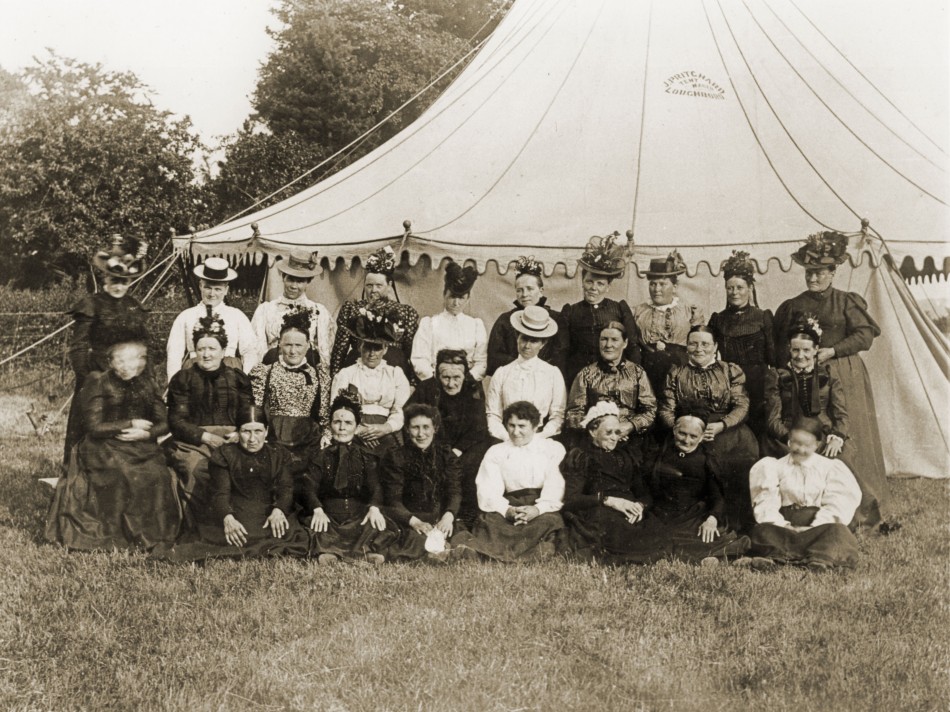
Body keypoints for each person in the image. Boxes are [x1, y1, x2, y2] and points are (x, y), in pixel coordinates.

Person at [772, 230, 887, 526]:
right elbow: (781, 344)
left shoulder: (845, 302)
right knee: (810, 432)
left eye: (819, 273)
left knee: (847, 433)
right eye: (809, 273)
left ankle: (861, 505)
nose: (812, 278)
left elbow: (865, 336)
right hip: (805, 377)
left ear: (833, 273)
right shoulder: (793, 305)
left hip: (843, 373)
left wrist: (833, 350)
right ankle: (813, 502)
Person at [45, 334, 181, 551]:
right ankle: (121, 535)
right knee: (124, 473)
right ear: (111, 362)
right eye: (120, 360)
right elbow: (94, 427)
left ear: (142, 361)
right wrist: (129, 423)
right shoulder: (99, 382)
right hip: (103, 446)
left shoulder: (148, 384)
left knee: (157, 474)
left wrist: (146, 435)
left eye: (132, 360)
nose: (127, 366)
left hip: (141, 445)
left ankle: (151, 533)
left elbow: (164, 423)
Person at [156, 406, 311, 561]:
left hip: (268, 513)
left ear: (266, 431)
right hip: (237, 513)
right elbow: (220, 493)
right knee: (241, 535)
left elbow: (286, 487)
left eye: (258, 431)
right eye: (246, 431)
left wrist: (279, 509)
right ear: (238, 432)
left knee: (295, 534)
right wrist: (227, 518)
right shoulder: (225, 454)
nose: (252, 439)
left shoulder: (278, 453)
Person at [609, 412, 749, 564]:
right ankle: (705, 556)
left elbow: (717, 497)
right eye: (682, 433)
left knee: (709, 535)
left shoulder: (707, 460)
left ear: (702, 437)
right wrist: (641, 505)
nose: (686, 440)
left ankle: (714, 557)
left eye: (693, 436)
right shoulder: (658, 455)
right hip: (660, 514)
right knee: (645, 537)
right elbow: (646, 491)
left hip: (692, 515)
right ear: (674, 430)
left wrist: (712, 519)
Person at [658, 325, 758, 529]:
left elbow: (742, 404)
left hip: (728, 430)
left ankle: (736, 524)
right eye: (693, 344)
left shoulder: (730, 370)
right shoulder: (676, 372)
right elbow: (666, 409)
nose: (699, 349)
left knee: (739, 462)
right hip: (689, 432)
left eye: (705, 344)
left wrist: (722, 425)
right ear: (686, 347)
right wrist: (684, 427)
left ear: (715, 346)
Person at [64, 235, 150, 464]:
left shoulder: (134, 306)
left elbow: (144, 344)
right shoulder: (92, 304)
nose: (118, 286)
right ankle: (83, 468)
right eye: (114, 281)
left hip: (129, 375)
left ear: (129, 282)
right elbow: (78, 346)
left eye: (124, 282)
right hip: (98, 373)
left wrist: (144, 374)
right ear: (105, 280)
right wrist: (87, 379)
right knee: (93, 423)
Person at [166, 313, 254, 528]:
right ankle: (201, 528)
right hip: (193, 441)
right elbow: (176, 420)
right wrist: (205, 437)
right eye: (201, 349)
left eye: (212, 349)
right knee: (197, 469)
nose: (206, 354)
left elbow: (248, 413)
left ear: (223, 351)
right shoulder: (183, 379)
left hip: (233, 440)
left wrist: (239, 433)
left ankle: (241, 524)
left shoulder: (237, 378)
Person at [453, 401, 566, 562]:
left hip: (541, 505)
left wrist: (537, 509)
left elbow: (556, 485)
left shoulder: (551, 449)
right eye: (511, 425)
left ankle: (531, 552)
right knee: (490, 522)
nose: (515, 432)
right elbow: (488, 489)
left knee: (549, 522)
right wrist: (507, 510)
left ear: (535, 427)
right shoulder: (496, 451)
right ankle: (500, 553)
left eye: (522, 426)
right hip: (510, 505)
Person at [746, 417, 861, 569]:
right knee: (761, 531)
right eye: (796, 443)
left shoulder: (829, 467)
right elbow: (767, 503)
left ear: (817, 445)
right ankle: (781, 557)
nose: (800, 449)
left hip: (818, 528)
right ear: (789, 441)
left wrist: (814, 526)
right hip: (783, 529)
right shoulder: (773, 466)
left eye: (806, 445)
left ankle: (817, 559)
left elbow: (837, 503)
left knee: (839, 531)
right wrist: (784, 525)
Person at [300, 395, 396, 564]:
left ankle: (365, 552)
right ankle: (329, 552)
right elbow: (309, 485)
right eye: (337, 422)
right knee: (317, 526)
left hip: (357, 514)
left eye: (348, 423)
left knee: (374, 524)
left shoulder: (366, 457)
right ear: (330, 425)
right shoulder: (319, 456)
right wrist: (317, 509)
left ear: (357, 427)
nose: (342, 427)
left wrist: (374, 507)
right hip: (328, 514)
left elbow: (375, 487)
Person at [406, 349, 493, 527]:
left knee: (470, 465)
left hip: (465, 446)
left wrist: (457, 450)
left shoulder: (473, 389)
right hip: (432, 444)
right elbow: (410, 418)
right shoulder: (427, 388)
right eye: (445, 377)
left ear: (465, 375)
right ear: (437, 374)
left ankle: (465, 515)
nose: (451, 383)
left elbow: (479, 428)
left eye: (456, 378)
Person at [558, 402, 652, 561]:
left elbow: (643, 493)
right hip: (599, 509)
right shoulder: (581, 456)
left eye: (617, 432)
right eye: (609, 432)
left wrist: (639, 506)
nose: (614, 437)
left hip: (628, 510)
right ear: (593, 431)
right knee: (613, 528)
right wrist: (609, 501)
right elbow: (572, 499)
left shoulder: (625, 456)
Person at [762, 316, 852, 466]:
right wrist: (790, 439)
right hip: (788, 435)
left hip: (822, 434)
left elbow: (841, 414)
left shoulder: (828, 373)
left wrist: (837, 437)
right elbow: (772, 419)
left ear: (815, 349)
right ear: (789, 349)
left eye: (806, 350)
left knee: (840, 460)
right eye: (795, 350)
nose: (800, 355)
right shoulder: (777, 375)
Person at [380, 404, 463, 561]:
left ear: (435, 428)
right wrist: (414, 522)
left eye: (426, 427)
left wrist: (448, 516)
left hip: (440, 518)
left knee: (461, 537)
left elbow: (455, 491)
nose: (421, 434)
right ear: (407, 429)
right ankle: (435, 554)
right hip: (408, 519)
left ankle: (447, 551)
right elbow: (392, 499)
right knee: (413, 541)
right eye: (415, 428)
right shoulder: (396, 457)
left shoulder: (446, 456)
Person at [559, 233, 640, 389]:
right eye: (589, 282)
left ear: (608, 287)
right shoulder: (570, 311)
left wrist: (632, 378)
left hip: (613, 376)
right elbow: (562, 351)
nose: (593, 288)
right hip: (577, 376)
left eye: (600, 284)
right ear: (582, 282)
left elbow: (632, 346)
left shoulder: (619, 308)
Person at [249, 307, 329, 464]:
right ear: (279, 344)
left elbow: (324, 414)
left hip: (308, 438)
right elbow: (256, 410)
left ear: (308, 345)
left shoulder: (319, 375)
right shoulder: (265, 372)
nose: (293, 351)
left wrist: (326, 436)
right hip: (273, 437)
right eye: (288, 345)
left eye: (298, 345)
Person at [707, 251, 774, 436]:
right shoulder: (718, 319)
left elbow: (773, 356)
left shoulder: (763, 316)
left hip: (758, 381)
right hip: (730, 381)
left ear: (750, 288)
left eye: (740, 287)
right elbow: (707, 350)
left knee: (759, 426)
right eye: (730, 288)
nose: (734, 292)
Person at [330, 245, 418, 385]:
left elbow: (411, 352)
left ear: (389, 285)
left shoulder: (406, 313)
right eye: (369, 285)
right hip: (358, 369)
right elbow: (339, 351)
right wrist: (335, 380)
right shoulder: (352, 309)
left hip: (393, 369)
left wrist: (412, 383)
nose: (373, 291)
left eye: (379, 286)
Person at [330, 306, 411, 454]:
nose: (372, 354)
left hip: (387, 430)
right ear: (360, 347)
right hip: (352, 430)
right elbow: (336, 407)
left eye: (377, 348)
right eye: (368, 347)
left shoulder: (395, 374)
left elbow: (401, 409)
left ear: (385, 349)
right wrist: (358, 429)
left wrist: (386, 428)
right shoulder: (346, 374)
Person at [565, 321, 656, 454]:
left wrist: (630, 426)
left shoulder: (637, 373)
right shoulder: (586, 374)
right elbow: (573, 413)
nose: (608, 345)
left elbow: (650, 410)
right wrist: (597, 428)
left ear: (625, 343)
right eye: (604, 339)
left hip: (630, 440)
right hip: (595, 440)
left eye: (614, 340)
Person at [166, 257, 259, 382]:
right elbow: (174, 353)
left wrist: (246, 382)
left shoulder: (237, 316)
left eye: (218, 289)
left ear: (226, 290)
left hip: (229, 371)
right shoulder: (186, 316)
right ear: (200, 286)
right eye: (208, 287)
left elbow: (250, 351)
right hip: (194, 371)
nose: (212, 294)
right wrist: (174, 384)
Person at [485, 306, 566, 441]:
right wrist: (508, 438)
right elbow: (493, 415)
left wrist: (539, 438)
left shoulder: (552, 374)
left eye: (534, 341)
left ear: (543, 344)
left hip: (540, 439)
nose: (527, 346)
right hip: (506, 438)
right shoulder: (502, 373)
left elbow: (558, 416)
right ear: (517, 338)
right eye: (524, 339)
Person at [633, 250, 705, 395]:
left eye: (662, 284)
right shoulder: (638, 312)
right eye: (653, 284)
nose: (657, 289)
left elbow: (699, 343)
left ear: (675, 286)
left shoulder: (689, 311)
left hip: (681, 371)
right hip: (646, 372)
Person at [250, 251, 333, 370]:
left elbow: (325, 351)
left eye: (300, 281)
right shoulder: (265, 310)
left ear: (308, 282)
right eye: (290, 279)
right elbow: (257, 348)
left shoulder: (318, 311)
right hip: (272, 369)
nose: (294, 286)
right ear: (283, 277)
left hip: (307, 371)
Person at [411, 261, 488, 382]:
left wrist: (465, 380)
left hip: (467, 383)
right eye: (452, 296)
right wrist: (437, 380)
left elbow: (481, 362)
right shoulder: (429, 324)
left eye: (461, 298)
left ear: (468, 299)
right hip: (434, 383)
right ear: (444, 295)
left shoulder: (475, 325)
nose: (456, 303)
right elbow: (419, 359)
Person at [487, 255, 564, 375]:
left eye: (530, 289)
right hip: (513, 377)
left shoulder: (556, 320)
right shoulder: (505, 320)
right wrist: (522, 367)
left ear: (541, 291)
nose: (524, 294)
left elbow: (561, 357)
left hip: (544, 378)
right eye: (519, 290)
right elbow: (493, 359)